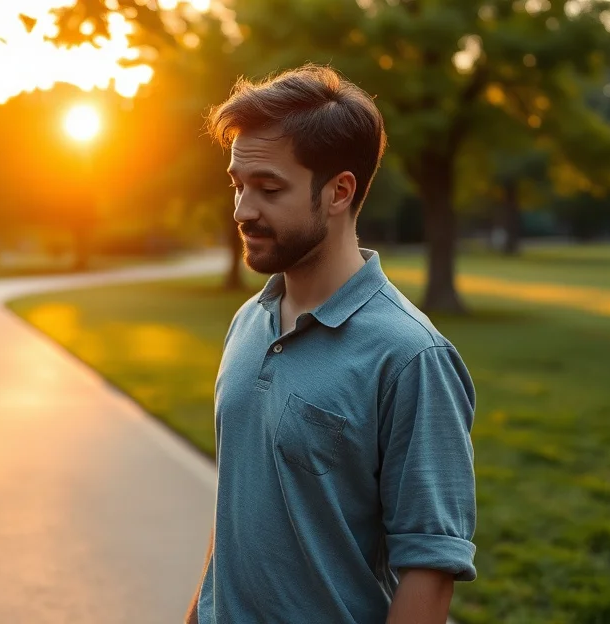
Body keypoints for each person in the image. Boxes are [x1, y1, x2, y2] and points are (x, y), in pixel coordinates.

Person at [186, 64, 477, 624]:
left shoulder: (412, 357)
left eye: (269, 188)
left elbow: (430, 569)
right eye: (238, 184)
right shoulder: (248, 321)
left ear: (340, 191)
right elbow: (236, 509)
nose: (242, 210)